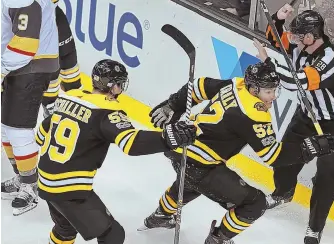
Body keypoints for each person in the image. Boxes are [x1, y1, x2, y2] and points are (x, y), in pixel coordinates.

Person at [139, 62, 334, 244]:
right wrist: (310, 148)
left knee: (190, 182)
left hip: (180, 149)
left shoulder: (236, 84)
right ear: (254, 89)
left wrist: (174, 104)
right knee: (254, 204)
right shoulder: (253, 113)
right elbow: (273, 157)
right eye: (269, 91)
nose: (274, 96)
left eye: (275, 90)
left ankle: (160, 216)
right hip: (201, 164)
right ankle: (218, 239)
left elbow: (199, 86)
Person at [35, 59, 196, 244]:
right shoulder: (107, 111)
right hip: (70, 188)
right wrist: (170, 137)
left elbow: (41, 134)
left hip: (45, 179)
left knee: (65, 229)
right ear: (113, 86)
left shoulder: (69, 96)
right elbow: (132, 143)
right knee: (113, 235)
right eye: (120, 84)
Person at [254, 4, 334, 244]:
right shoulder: (303, 46)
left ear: (311, 37)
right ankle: (283, 193)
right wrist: (278, 19)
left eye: (299, 36)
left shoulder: (330, 58)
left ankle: (314, 228)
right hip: (306, 117)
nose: (294, 40)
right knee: (284, 159)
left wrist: (269, 63)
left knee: (327, 177)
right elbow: (276, 39)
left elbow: (297, 82)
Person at [1, 0, 59, 216]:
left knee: (17, 130)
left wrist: (2, 68)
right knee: (6, 128)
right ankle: (23, 176)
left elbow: (25, 44)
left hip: (30, 67)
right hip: (19, 68)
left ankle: (30, 185)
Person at [42, 2, 82, 118]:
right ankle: (49, 113)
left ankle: (80, 107)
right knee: (51, 75)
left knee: (71, 75)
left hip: (55, 17)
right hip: (34, 20)